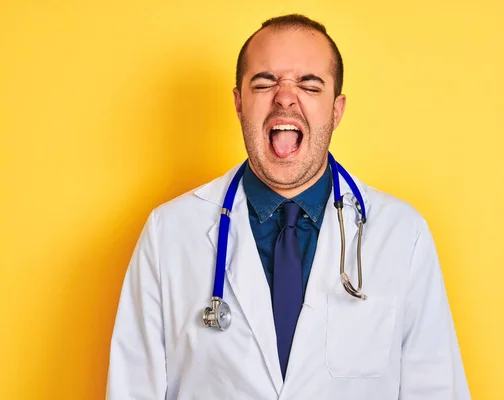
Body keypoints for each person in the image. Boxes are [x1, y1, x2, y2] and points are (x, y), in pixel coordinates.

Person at [106, 14, 471, 400]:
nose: (284, 96)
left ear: (336, 110)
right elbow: (133, 389)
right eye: (264, 83)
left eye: (310, 85)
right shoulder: (170, 233)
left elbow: (436, 390)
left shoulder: (402, 235)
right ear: (238, 103)